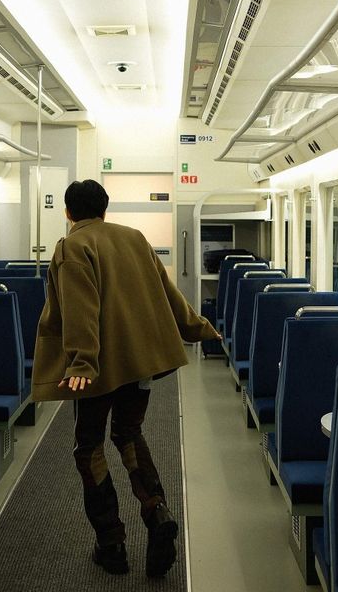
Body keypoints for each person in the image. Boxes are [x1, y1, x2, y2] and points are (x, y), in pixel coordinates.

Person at [32, 179, 221, 577]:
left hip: (100, 366)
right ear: (105, 209)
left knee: (89, 448)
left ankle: (112, 543)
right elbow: (167, 292)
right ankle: (157, 512)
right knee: (129, 434)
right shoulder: (134, 237)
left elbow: (80, 306)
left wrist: (83, 363)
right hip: (141, 360)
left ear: (67, 213)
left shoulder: (73, 246)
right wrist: (197, 327)